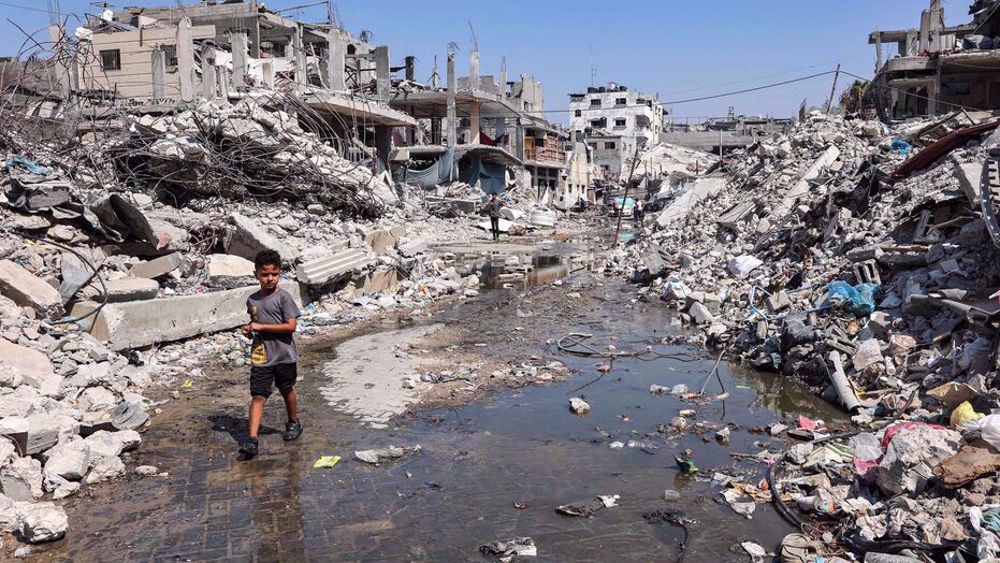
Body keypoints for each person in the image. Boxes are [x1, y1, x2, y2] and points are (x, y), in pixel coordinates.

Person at [239, 250, 302, 458]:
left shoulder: (283, 298)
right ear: (256, 274)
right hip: (261, 355)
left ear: (280, 274)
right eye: (265, 274)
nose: (269, 279)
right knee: (258, 395)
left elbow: (291, 326)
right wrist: (250, 330)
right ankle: (252, 439)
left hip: (284, 355)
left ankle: (294, 422)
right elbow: (256, 325)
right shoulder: (252, 300)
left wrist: (262, 327)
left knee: (286, 389)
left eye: (274, 274)